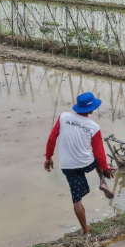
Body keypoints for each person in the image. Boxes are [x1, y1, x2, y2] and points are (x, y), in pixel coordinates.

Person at [45, 92, 116, 235]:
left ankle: (86, 231)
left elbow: (52, 138)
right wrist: (106, 169)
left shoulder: (63, 117)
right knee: (97, 160)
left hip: (68, 166)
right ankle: (103, 182)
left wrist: (48, 157)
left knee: (76, 200)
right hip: (86, 163)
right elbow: (99, 153)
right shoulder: (93, 127)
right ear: (91, 109)